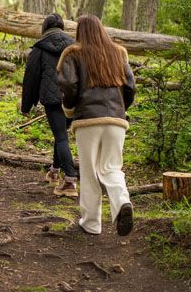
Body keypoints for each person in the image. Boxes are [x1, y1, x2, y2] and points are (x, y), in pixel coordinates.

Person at [57, 15, 136, 236]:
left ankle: (91, 223)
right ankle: (122, 202)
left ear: (80, 31)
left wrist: (69, 110)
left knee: (89, 171)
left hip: (88, 120)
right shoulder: (118, 53)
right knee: (111, 168)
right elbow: (130, 87)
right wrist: (121, 108)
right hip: (116, 120)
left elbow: (69, 86)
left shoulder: (73, 53)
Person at [20, 13, 78, 197]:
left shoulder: (39, 48)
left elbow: (30, 80)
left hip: (53, 100)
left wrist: (26, 106)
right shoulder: (74, 46)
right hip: (73, 98)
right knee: (61, 134)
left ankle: (69, 181)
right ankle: (54, 171)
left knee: (61, 137)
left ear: (45, 27)